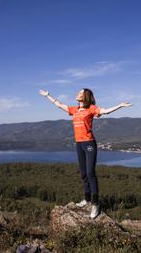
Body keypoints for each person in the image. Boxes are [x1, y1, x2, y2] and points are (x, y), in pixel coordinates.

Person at [39, 88, 132, 219]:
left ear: (86, 96)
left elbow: (104, 111)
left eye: (80, 93)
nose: (77, 94)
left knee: (90, 173)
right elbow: (59, 105)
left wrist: (120, 106)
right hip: (79, 144)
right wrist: (48, 95)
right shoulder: (75, 110)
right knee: (83, 174)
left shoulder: (91, 109)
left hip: (89, 144)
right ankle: (87, 199)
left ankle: (95, 204)